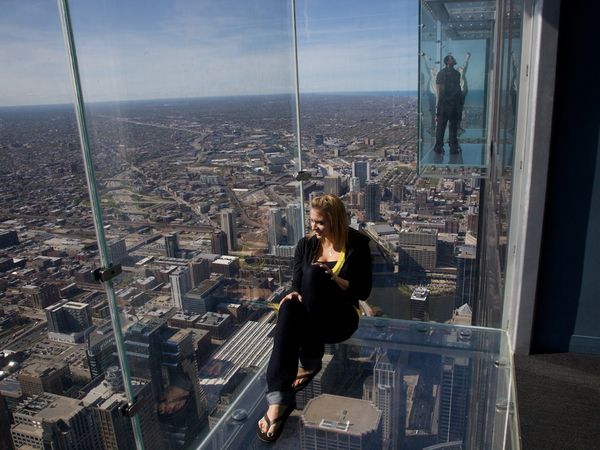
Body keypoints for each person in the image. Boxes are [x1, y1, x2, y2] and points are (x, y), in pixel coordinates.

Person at [257, 194, 372, 442]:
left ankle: (309, 359)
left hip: (340, 319)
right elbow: (296, 285)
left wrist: (332, 277)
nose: (314, 227)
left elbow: (362, 291)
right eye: (312, 221)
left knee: (315, 274)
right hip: (311, 324)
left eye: (320, 222)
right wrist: (293, 295)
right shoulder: (306, 245)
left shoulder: (357, 244)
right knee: (288, 307)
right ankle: (278, 399)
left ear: (336, 220)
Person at [434, 54, 463, 154]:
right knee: (451, 127)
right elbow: (456, 90)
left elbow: (438, 89)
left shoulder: (441, 73)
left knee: (442, 127)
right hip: (451, 104)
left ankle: (439, 147)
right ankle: (451, 147)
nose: (454, 59)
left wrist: (441, 100)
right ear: (447, 61)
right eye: (452, 58)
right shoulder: (455, 74)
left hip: (444, 104)